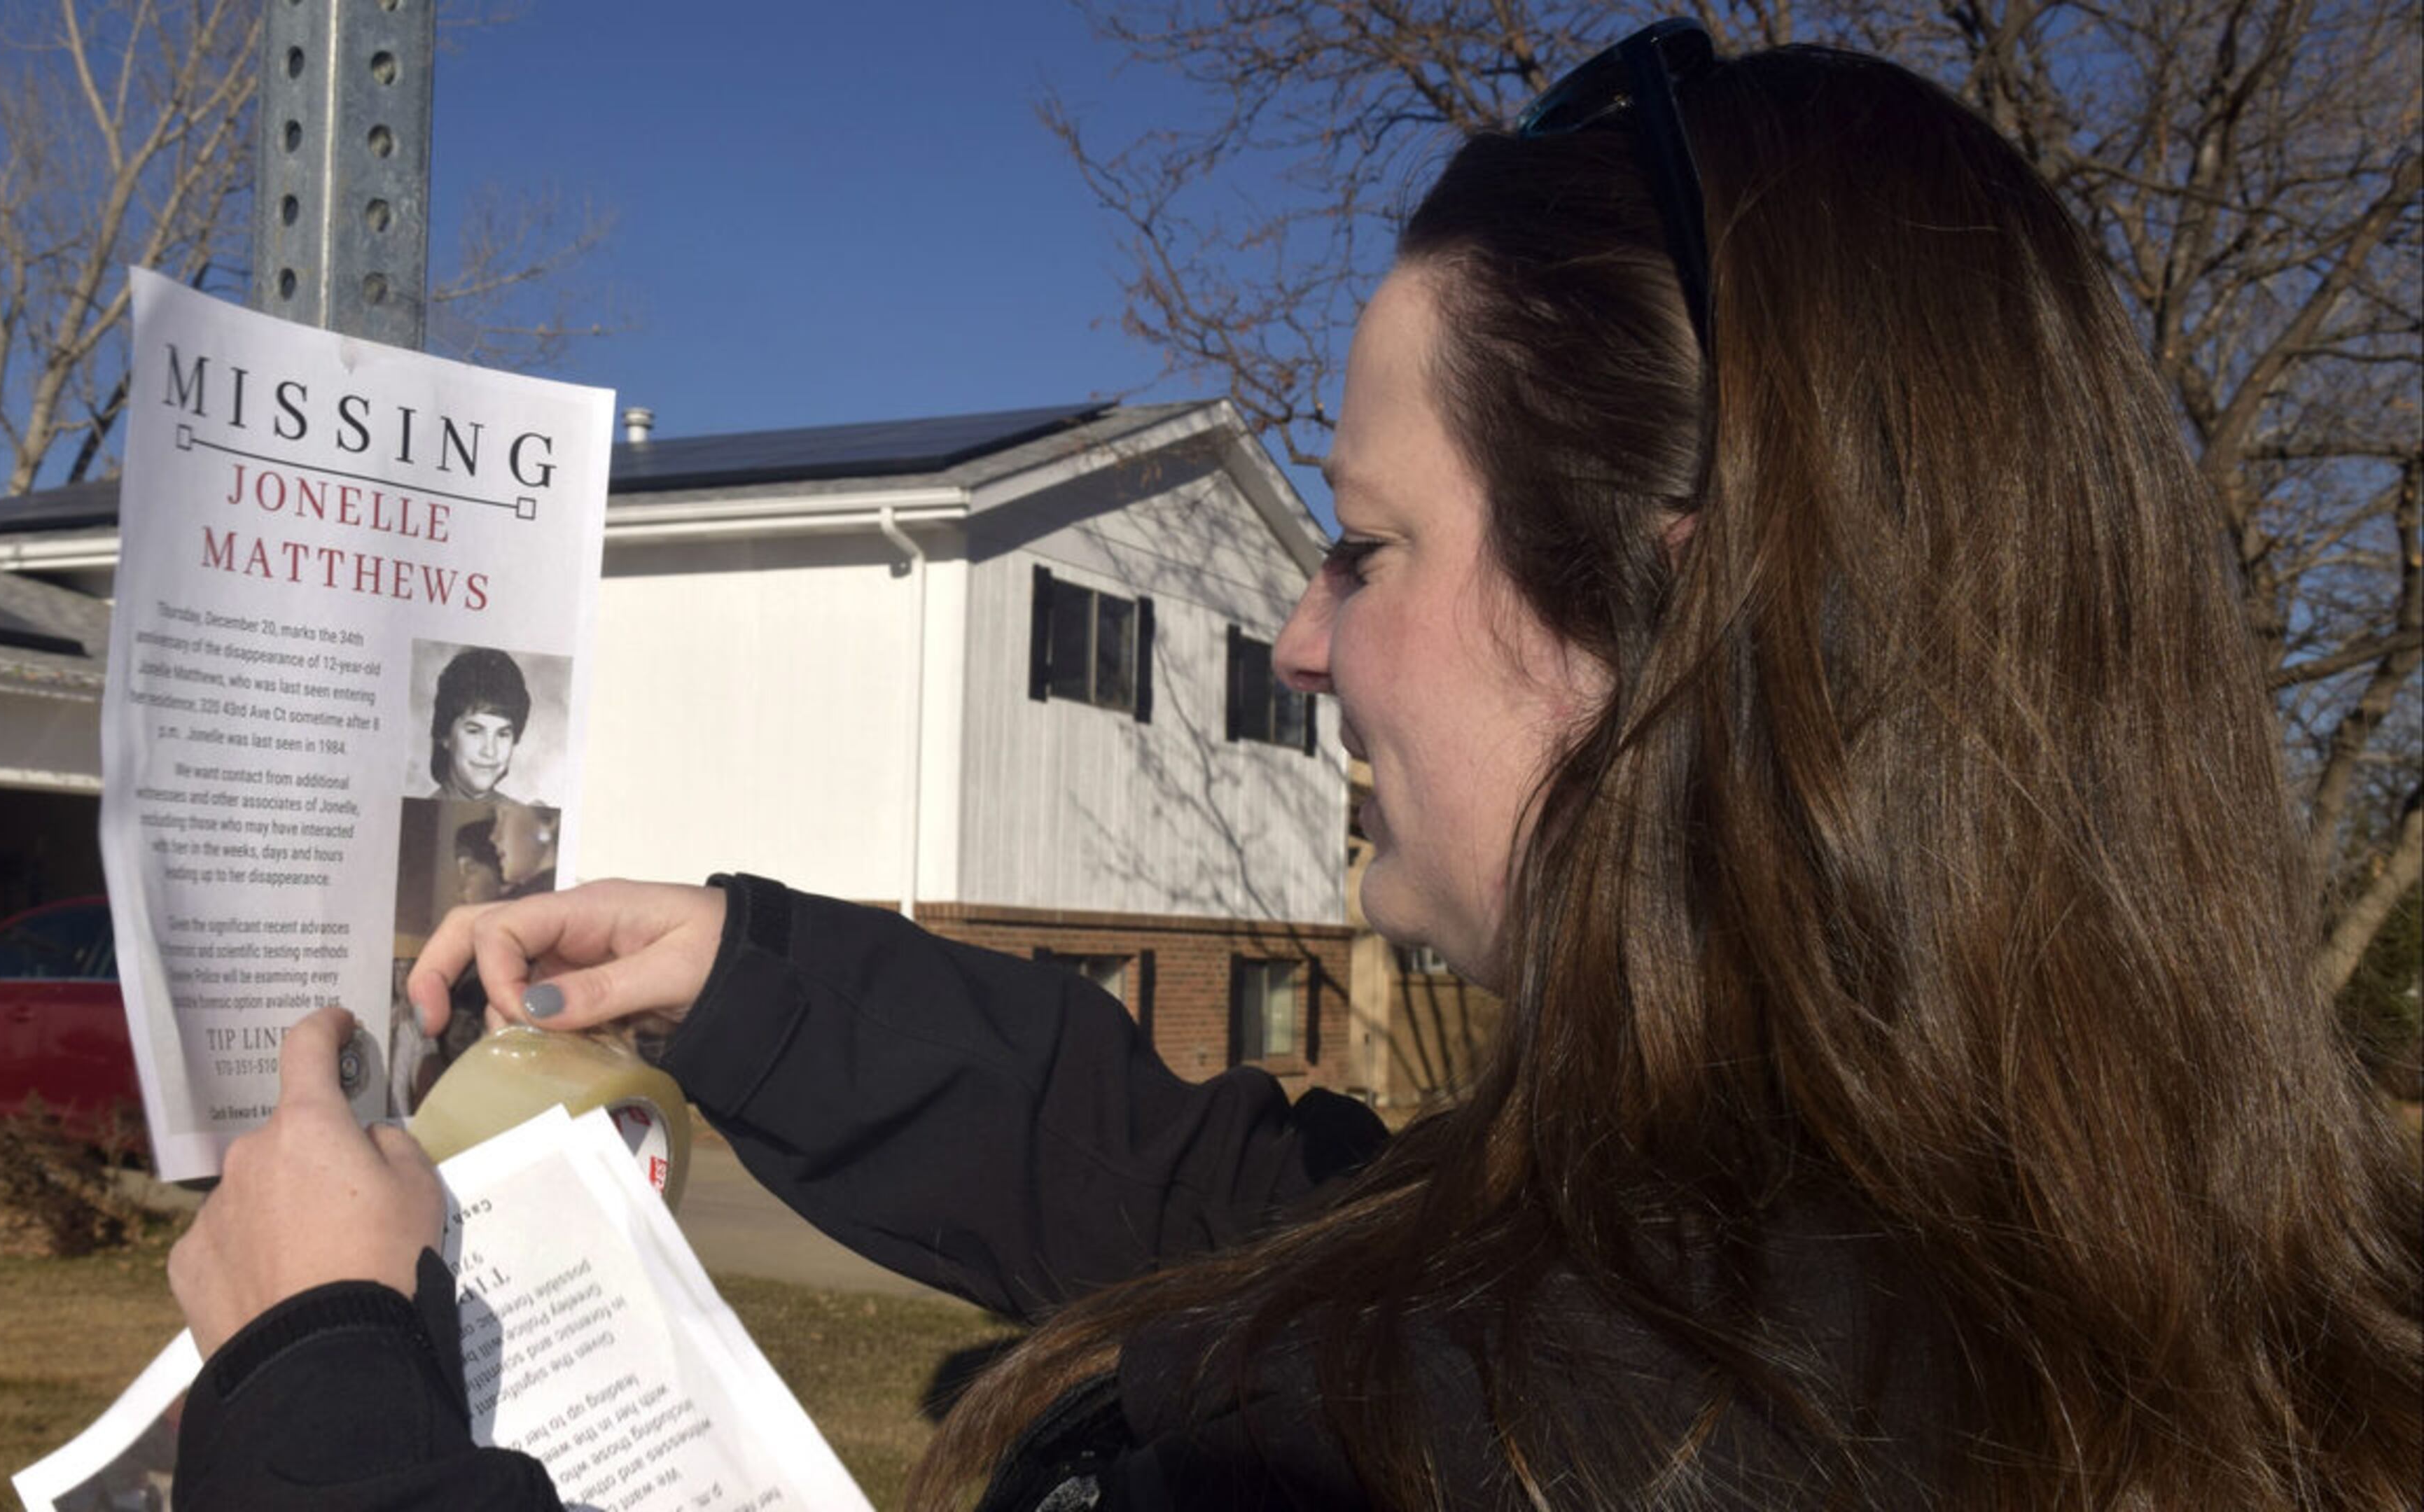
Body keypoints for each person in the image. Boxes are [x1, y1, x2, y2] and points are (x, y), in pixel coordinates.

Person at [166, 27, 2423, 1511]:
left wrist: (321, 1386)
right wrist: (748, 975)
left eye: (1364, 548)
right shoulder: (2080, 1298)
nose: (1296, 635)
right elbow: (1267, 1207)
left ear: (1666, 618)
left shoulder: (1467, 1445)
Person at [425, 647, 533, 803]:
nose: (490, 751)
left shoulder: (526, 816)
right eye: (475, 731)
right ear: (445, 735)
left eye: (502, 734)